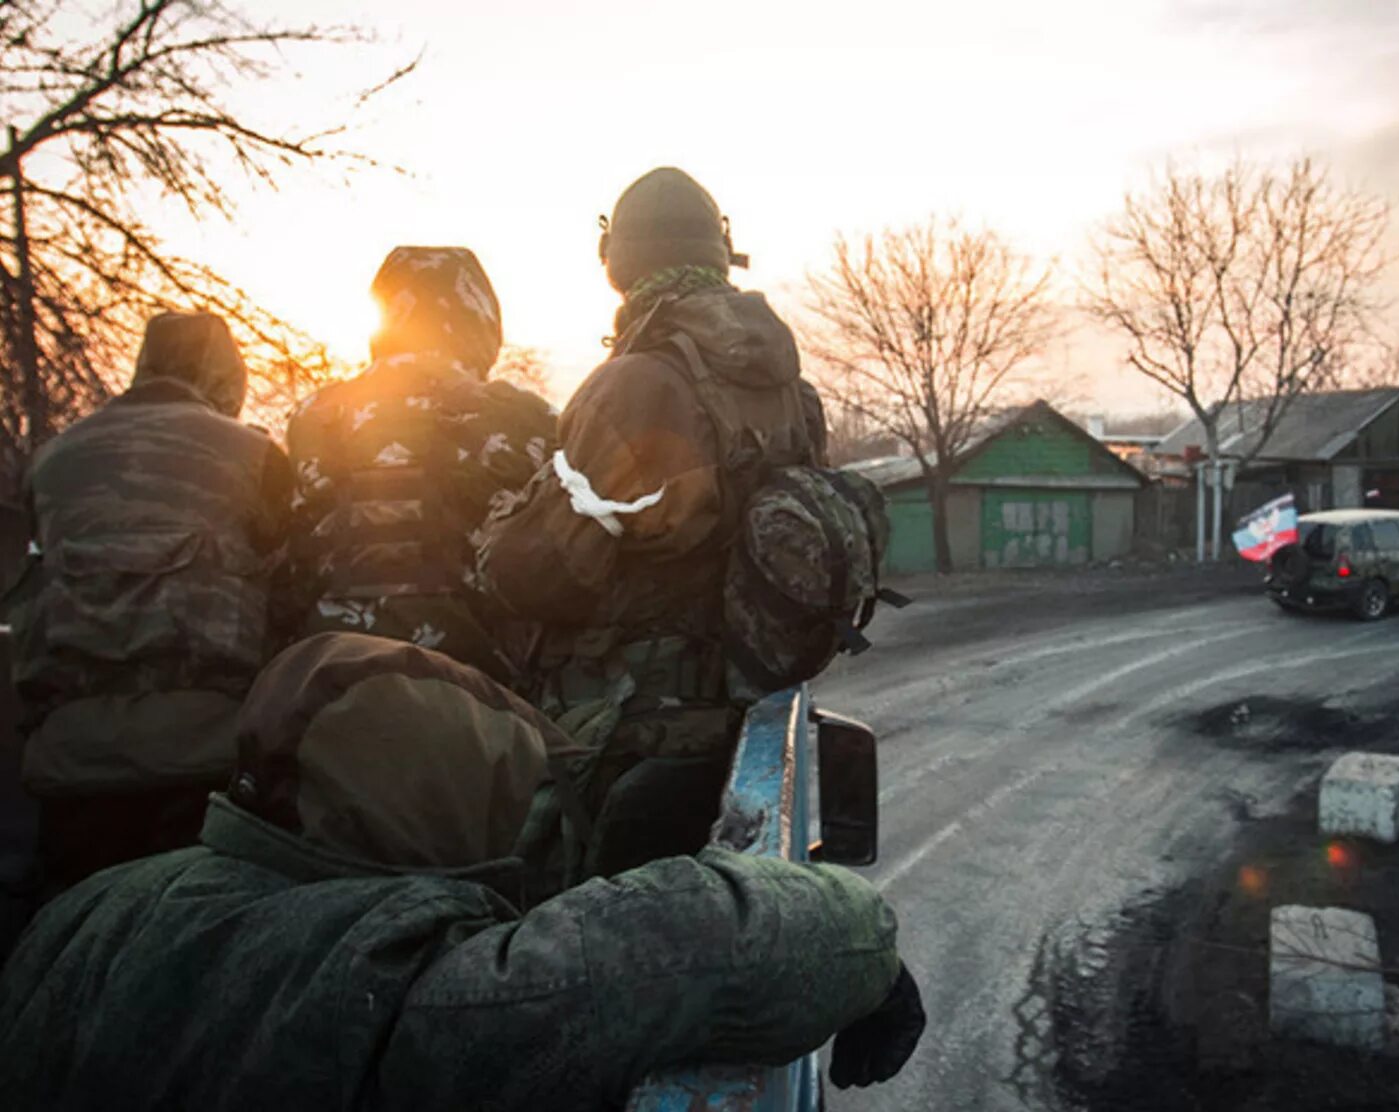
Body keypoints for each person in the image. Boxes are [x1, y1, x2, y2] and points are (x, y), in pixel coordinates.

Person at [0, 632, 925, 1110]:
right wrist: (868, 951)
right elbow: (705, 938)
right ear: (444, 811)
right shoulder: (402, 984)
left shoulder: (83, 915)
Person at [476, 167, 824, 880]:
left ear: (619, 264)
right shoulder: (794, 393)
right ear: (722, 253)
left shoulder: (635, 384)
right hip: (741, 719)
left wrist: (497, 530)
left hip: (630, 730)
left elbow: (544, 576)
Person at [4, 312, 291, 894]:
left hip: (71, 763)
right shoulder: (254, 455)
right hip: (205, 761)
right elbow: (289, 586)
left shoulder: (54, 459)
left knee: (71, 945)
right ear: (226, 378)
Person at [286, 246, 558, 683]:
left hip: (327, 682)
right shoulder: (528, 420)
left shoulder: (316, 415)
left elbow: (291, 559)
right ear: (481, 321)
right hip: (485, 694)